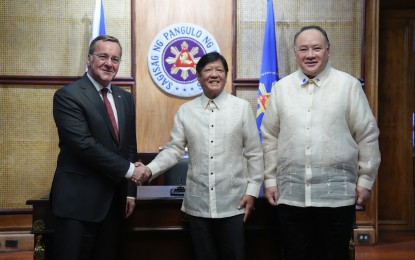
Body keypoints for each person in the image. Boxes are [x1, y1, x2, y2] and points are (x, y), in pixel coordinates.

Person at [261, 25, 381, 260]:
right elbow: (269, 137)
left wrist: (366, 180)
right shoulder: (281, 89)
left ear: (328, 50)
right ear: (296, 53)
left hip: (336, 196)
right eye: (303, 49)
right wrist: (270, 179)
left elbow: (367, 135)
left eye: (317, 48)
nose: (310, 54)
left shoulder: (348, 86)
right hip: (291, 195)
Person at [137, 52, 264, 260]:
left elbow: (254, 153)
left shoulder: (241, 109)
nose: (214, 75)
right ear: (198, 76)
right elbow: (174, 150)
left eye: (219, 70)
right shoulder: (186, 111)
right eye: (208, 70)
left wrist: (251, 191)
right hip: (197, 207)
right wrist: (149, 169)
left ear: (226, 75)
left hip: (234, 204)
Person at [50, 35, 144, 260]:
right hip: (77, 205)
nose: (109, 63)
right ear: (89, 59)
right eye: (103, 56)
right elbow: (84, 145)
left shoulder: (124, 97)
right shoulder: (68, 96)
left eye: (115, 59)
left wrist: (130, 193)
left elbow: (129, 146)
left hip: (114, 203)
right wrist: (131, 171)